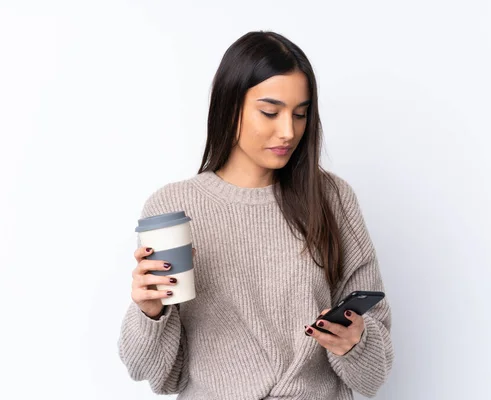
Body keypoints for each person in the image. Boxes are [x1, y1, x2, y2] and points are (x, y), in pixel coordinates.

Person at [118, 30, 394, 400]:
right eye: (270, 112)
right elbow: (155, 374)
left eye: (300, 114)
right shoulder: (172, 209)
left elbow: (373, 374)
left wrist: (354, 341)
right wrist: (150, 313)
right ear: (230, 106)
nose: (289, 131)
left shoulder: (332, 199)